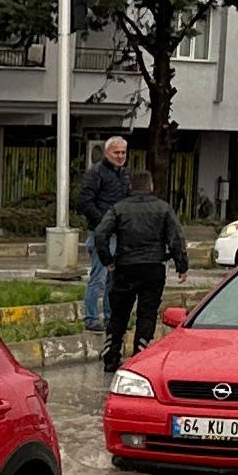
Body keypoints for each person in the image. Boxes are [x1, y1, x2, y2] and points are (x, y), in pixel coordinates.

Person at [96, 170, 188, 370]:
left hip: (125, 267)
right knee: (147, 313)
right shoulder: (163, 209)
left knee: (118, 314)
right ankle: (140, 355)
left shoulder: (118, 208)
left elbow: (100, 234)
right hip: (153, 268)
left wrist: (107, 260)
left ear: (131, 187)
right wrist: (182, 266)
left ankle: (111, 356)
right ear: (151, 186)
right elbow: (176, 239)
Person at [73, 135, 132, 330]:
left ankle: (109, 317)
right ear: (107, 153)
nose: (120, 156)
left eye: (123, 152)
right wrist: (105, 222)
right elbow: (84, 202)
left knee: (114, 280)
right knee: (99, 277)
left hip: (120, 234)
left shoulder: (124, 174)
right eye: (117, 152)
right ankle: (91, 318)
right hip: (102, 234)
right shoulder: (96, 173)